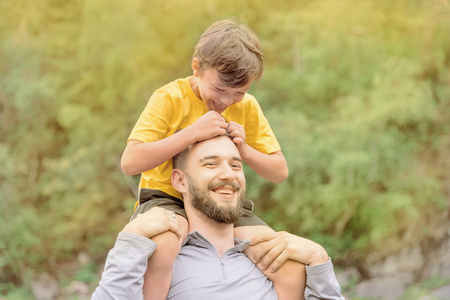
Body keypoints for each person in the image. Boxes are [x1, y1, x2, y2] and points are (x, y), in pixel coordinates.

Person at [120, 18, 300, 299]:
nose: (227, 101)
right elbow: (130, 162)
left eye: (239, 93)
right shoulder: (169, 98)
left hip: (221, 201)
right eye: (219, 89)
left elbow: (279, 172)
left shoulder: (248, 107)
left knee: (283, 257)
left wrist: (244, 150)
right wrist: (191, 133)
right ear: (197, 67)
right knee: (164, 245)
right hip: (166, 199)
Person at [93, 135, 344, 300]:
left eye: (235, 166)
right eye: (210, 164)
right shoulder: (162, 261)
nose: (227, 174)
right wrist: (130, 239)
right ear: (180, 180)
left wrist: (319, 260)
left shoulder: (273, 262)